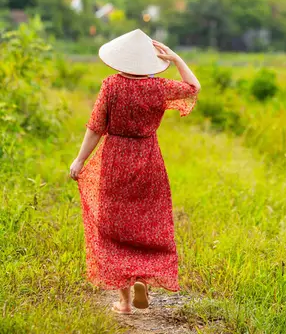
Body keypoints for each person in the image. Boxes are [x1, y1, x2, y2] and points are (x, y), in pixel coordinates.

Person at [69, 29, 201, 314]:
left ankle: (125, 302)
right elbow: (193, 88)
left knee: (115, 225)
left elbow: (95, 128)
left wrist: (79, 161)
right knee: (147, 223)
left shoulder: (110, 86)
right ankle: (143, 277)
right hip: (149, 158)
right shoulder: (159, 87)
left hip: (115, 158)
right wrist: (177, 59)